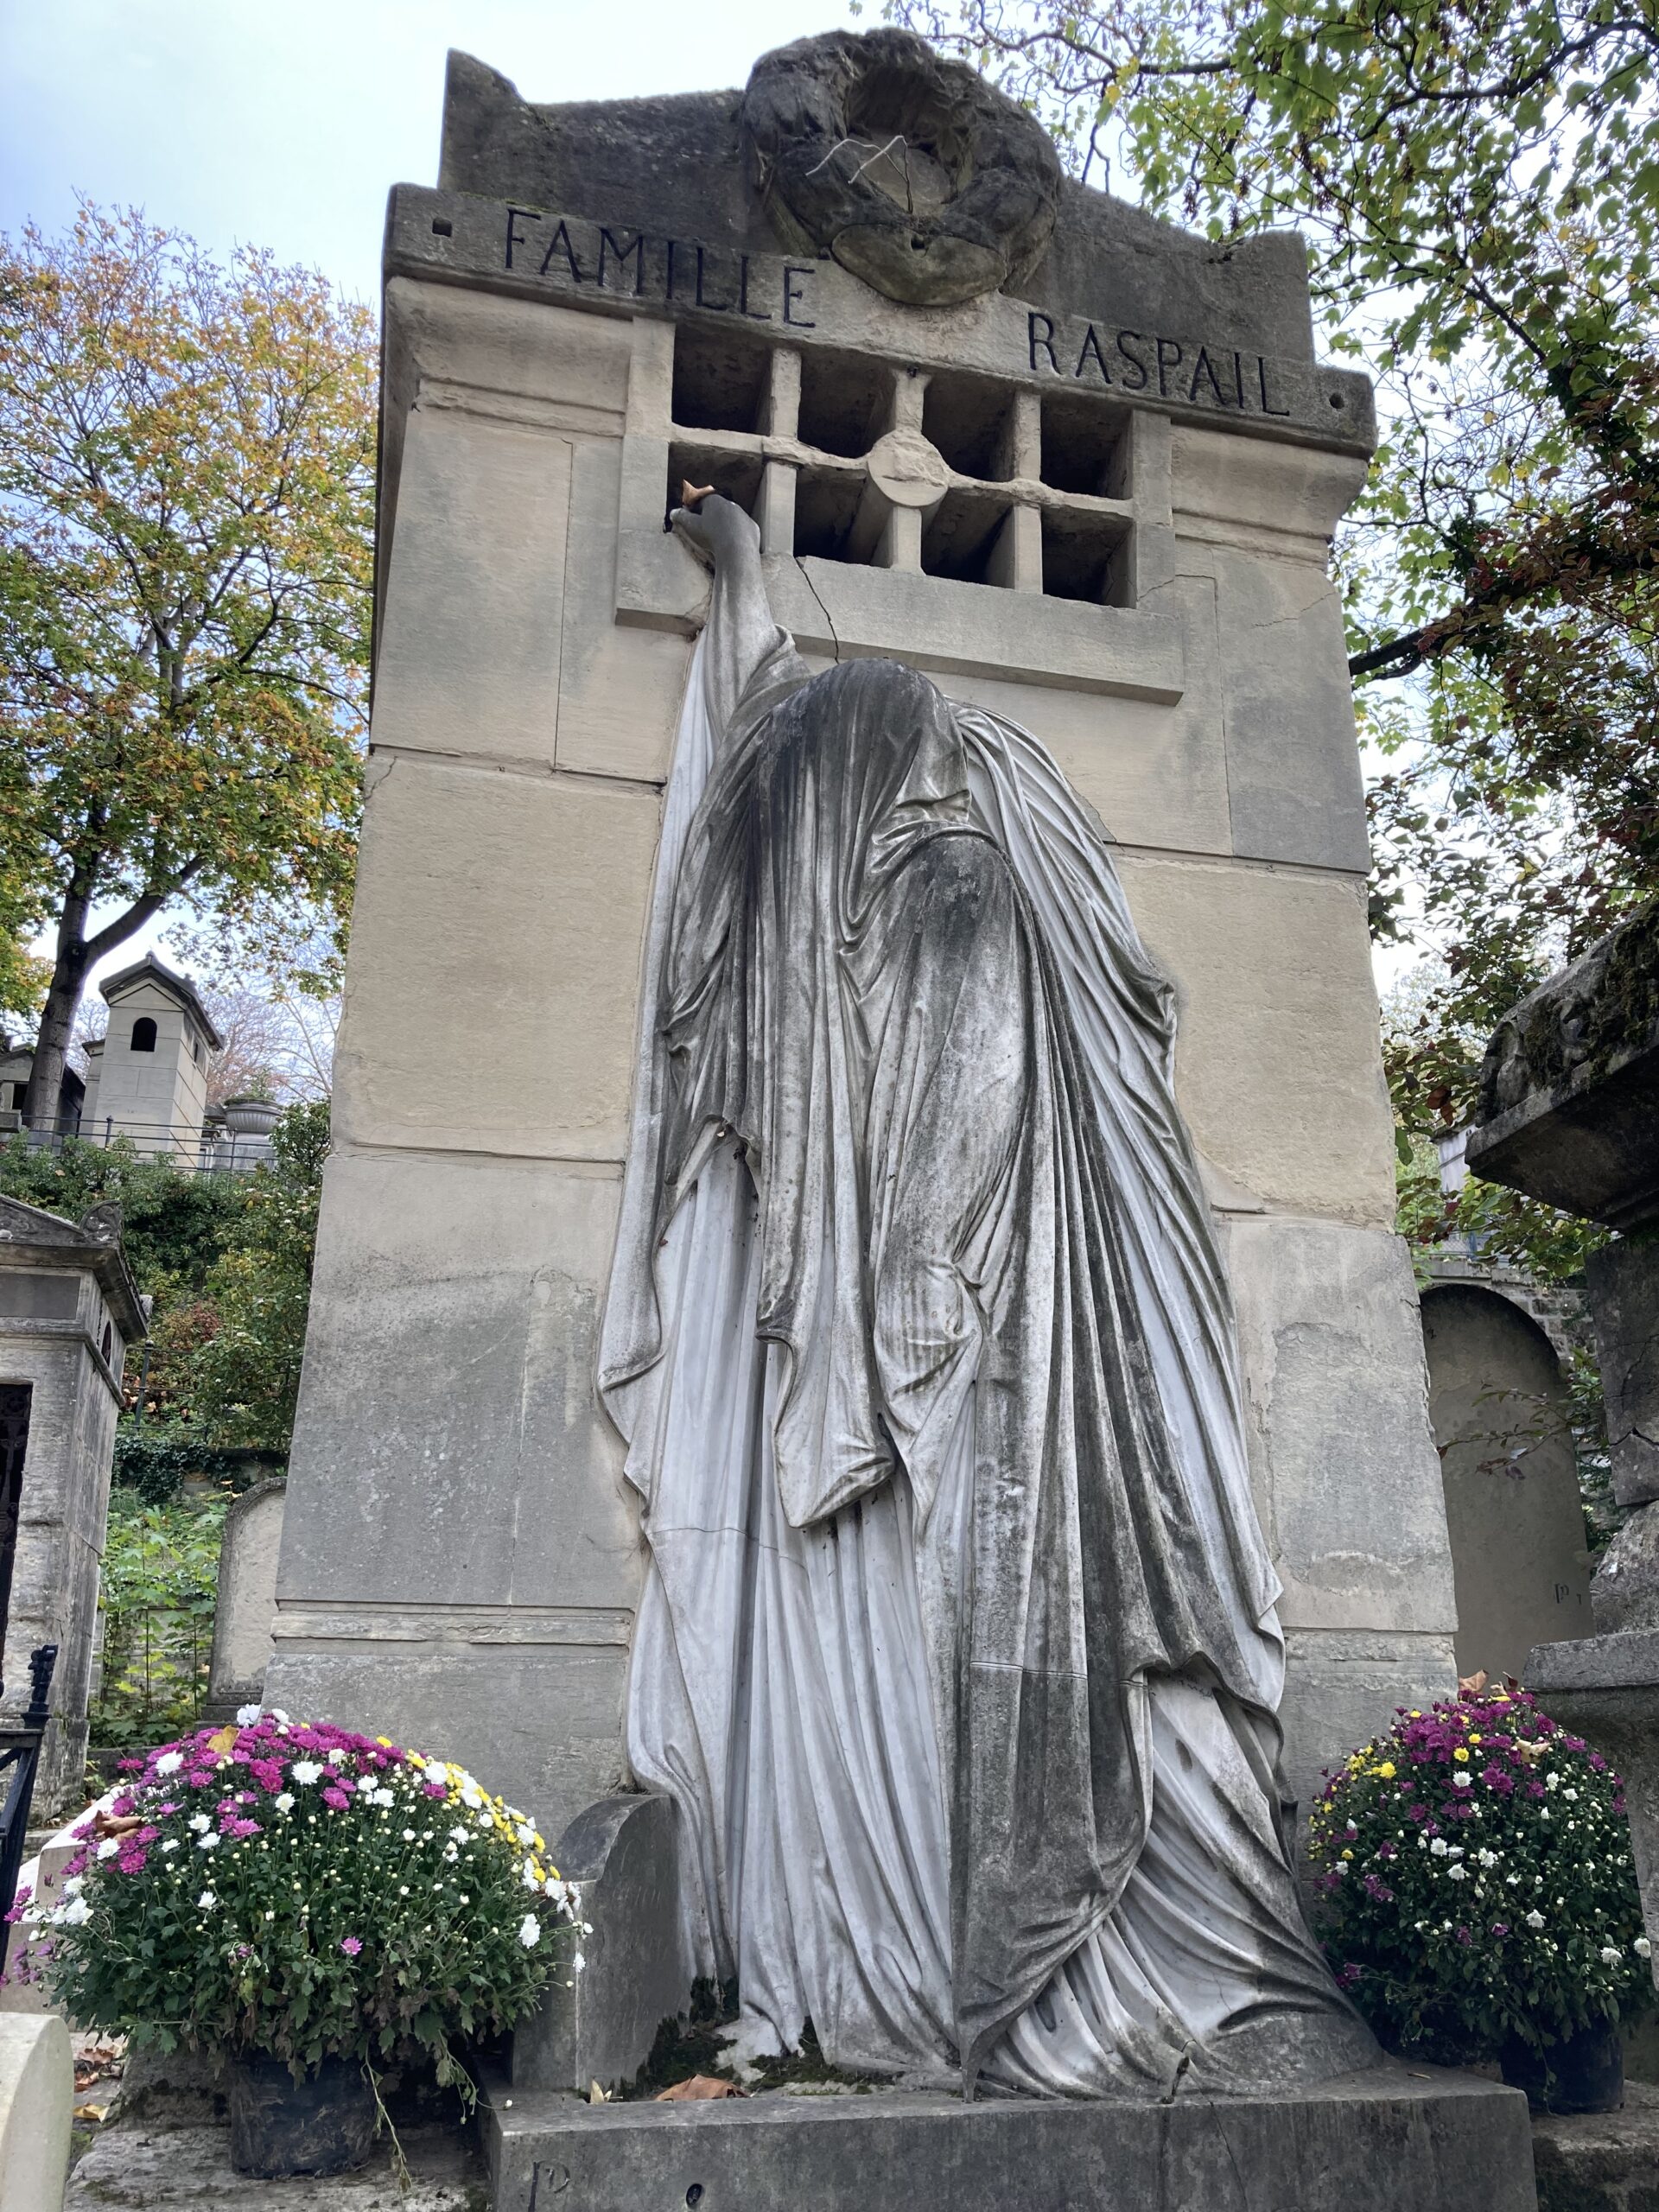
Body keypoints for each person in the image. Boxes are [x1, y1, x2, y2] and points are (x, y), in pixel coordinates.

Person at [598, 489, 1374, 2098]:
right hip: (992, 1353)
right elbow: (770, 731)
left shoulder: (942, 883)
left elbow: (961, 1119)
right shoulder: (939, 830)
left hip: (992, 1359)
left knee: (1042, 1654)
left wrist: (905, 1301)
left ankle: (1060, 1963)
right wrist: (743, 585)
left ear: (836, 790)